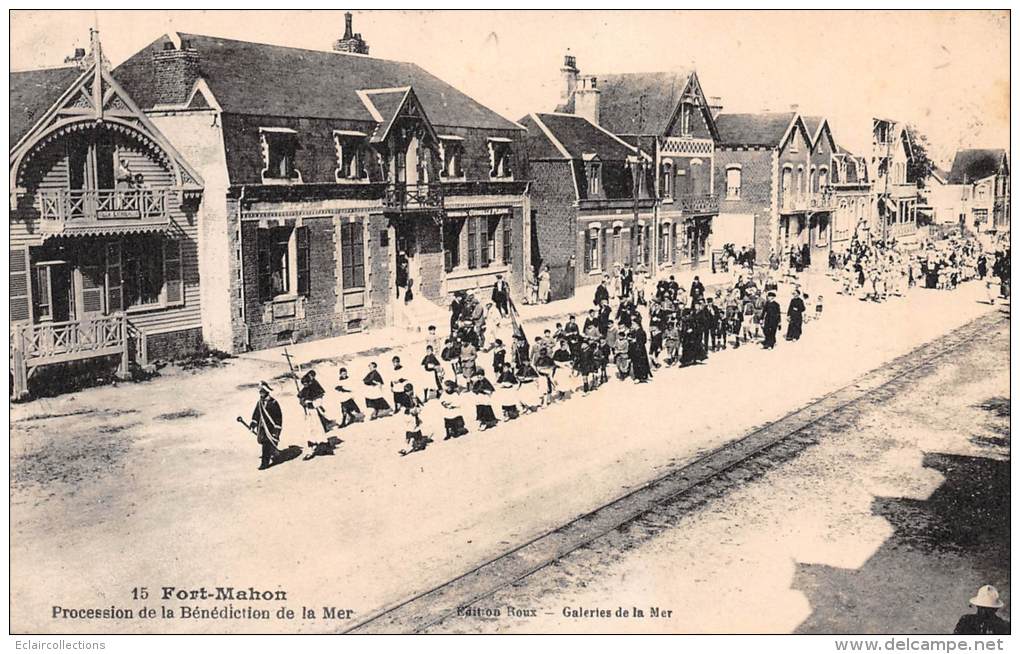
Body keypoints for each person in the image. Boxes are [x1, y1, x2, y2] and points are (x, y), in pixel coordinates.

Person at [249, 381, 282, 470]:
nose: (261, 393)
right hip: (263, 428)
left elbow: (278, 418)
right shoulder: (259, 403)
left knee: (266, 445)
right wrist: (253, 423)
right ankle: (275, 453)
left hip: (271, 428)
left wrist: (276, 430)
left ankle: (264, 463)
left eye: (263, 391)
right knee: (265, 443)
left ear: (267, 391)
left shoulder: (274, 403)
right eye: (260, 391)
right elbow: (256, 414)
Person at [297, 369, 337, 434]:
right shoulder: (307, 383)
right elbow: (304, 391)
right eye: (310, 375)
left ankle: (323, 427)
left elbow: (318, 392)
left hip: (315, 402)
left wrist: (311, 401)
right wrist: (301, 395)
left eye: (312, 376)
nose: (311, 377)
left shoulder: (314, 382)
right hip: (311, 404)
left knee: (318, 415)